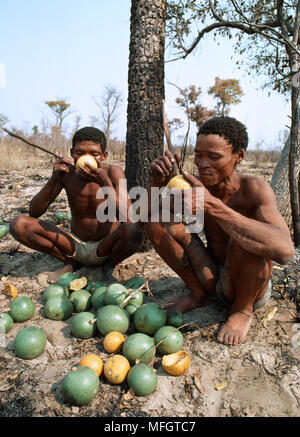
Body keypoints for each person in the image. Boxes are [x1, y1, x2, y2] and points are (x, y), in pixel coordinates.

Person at [143, 116, 294, 346]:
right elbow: (143, 218)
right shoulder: (193, 185)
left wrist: (213, 206)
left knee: (245, 237)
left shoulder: (254, 189)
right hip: (211, 277)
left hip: (249, 287)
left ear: (239, 156)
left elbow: (284, 251)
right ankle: (198, 294)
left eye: (214, 157)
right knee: (156, 220)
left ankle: (242, 312)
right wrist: (155, 184)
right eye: (198, 155)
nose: (203, 163)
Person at [10, 126, 143, 282]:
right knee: (19, 224)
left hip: (105, 245)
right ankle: (70, 262)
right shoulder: (66, 173)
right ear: (72, 153)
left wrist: (105, 183)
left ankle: (108, 266)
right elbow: (34, 212)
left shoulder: (113, 172)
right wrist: (54, 179)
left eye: (94, 154)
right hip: (74, 244)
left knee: (134, 230)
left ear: (104, 155)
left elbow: (128, 217)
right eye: (79, 153)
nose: (86, 158)